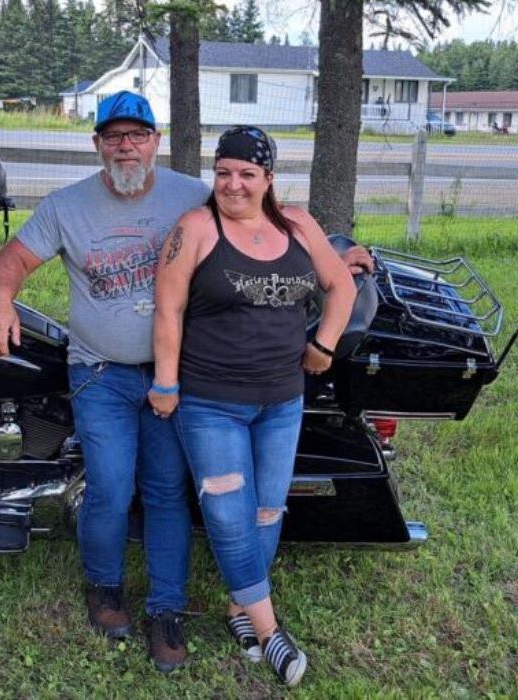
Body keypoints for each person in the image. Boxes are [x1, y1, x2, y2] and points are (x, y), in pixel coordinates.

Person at [0, 90, 210, 673]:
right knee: (108, 485)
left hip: (170, 373)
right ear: (98, 144)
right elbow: (12, 261)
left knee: (164, 489)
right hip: (100, 372)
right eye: (114, 136)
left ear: (156, 141)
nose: (126, 146)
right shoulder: (67, 207)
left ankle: (166, 609)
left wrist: (330, 251)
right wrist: (0, 298)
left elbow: (262, 224)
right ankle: (104, 587)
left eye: (137, 135)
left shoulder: (194, 196)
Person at [149, 125, 359, 687]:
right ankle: (269, 631)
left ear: (268, 178)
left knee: (268, 512)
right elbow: (167, 311)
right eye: (222, 173)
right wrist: (166, 384)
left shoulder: (297, 225)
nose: (232, 184)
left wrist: (323, 346)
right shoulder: (195, 228)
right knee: (226, 514)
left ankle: (240, 609)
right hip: (210, 401)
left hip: (281, 402)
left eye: (246, 174)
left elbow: (341, 287)